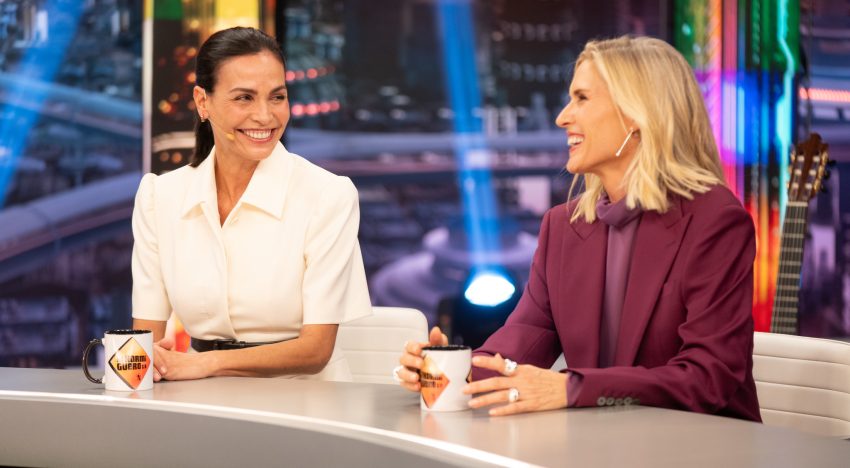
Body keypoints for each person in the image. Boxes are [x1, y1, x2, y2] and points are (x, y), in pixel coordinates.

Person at [395, 36, 761, 421]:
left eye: (582, 98)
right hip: (598, 448)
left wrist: (571, 388)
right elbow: (520, 343)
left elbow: (708, 378)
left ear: (635, 115)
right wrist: (446, 372)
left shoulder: (714, 220)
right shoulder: (562, 228)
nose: (562, 117)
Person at [131, 27, 371, 382]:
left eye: (277, 97)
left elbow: (316, 349)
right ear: (202, 102)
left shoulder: (327, 195)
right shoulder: (159, 197)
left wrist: (206, 364)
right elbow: (144, 342)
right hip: (198, 396)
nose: (265, 116)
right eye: (244, 98)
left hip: (310, 400)